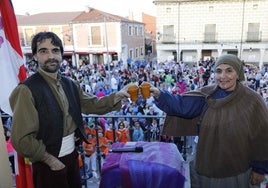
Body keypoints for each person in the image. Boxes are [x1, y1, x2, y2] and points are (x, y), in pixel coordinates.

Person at [9, 31, 130, 188]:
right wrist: (50, 161)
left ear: (61, 54)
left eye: (55, 50)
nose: (51, 56)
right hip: (48, 164)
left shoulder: (70, 84)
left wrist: (117, 96)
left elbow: (92, 104)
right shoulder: (26, 90)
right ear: (34, 56)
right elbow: (21, 139)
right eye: (43, 51)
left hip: (72, 158)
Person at [148, 54, 268, 188]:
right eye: (218, 71)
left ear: (238, 73)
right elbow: (181, 104)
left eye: (229, 70)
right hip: (207, 168)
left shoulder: (253, 101)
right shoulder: (207, 94)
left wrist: (260, 169)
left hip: (238, 172)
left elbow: (262, 137)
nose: (223, 76)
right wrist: (159, 94)